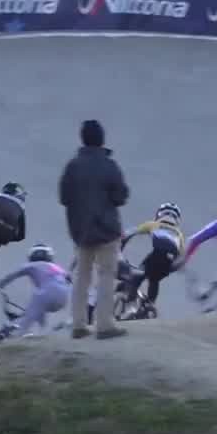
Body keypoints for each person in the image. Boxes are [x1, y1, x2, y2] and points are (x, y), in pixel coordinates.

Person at [58, 119, 130, 340]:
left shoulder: (72, 166)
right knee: (106, 275)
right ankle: (104, 325)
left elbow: (64, 197)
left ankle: (78, 324)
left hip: (81, 231)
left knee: (82, 276)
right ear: (102, 140)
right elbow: (121, 196)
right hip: (106, 230)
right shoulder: (109, 166)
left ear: (83, 139)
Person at [0, 244, 72, 339]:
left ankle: (16, 336)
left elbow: (14, 274)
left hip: (46, 293)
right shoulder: (58, 268)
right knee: (40, 310)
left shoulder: (32, 265)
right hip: (63, 299)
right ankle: (42, 333)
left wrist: (0, 285)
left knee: (28, 317)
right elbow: (69, 279)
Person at [118, 202, 184, 310]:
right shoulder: (179, 233)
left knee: (137, 275)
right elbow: (181, 256)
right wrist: (171, 268)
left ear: (160, 214)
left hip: (156, 255)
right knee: (154, 279)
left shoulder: (153, 224)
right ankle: (150, 304)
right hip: (169, 261)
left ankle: (131, 305)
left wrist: (120, 248)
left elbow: (129, 234)